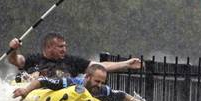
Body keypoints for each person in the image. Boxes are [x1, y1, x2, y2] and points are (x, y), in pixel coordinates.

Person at [13, 63, 150, 101]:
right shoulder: (70, 83)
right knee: (44, 76)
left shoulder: (101, 90)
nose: (100, 85)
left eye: (102, 82)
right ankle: (28, 76)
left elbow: (120, 95)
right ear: (87, 77)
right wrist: (25, 91)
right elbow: (43, 81)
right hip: (50, 90)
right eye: (97, 81)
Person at [8, 32, 142, 78]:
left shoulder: (72, 61)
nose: (64, 49)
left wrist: (126, 63)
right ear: (48, 47)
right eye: (60, 47)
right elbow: (15, 60)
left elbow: (100, 66)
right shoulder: (33, 59)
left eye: (65, 46)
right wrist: (13, 49)